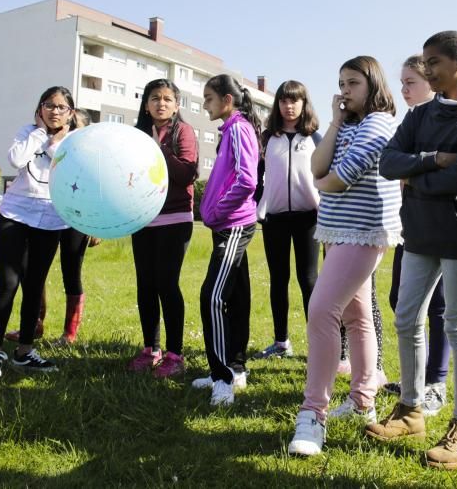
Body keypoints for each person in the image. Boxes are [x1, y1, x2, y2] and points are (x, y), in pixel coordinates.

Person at [369, 32, 457, 471]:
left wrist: (420, 176)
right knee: (406, 318)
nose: (426, 72)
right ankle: (410, 410)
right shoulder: (421, 114)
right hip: (418, 234)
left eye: (433, 63)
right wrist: (430, 159)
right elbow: (389, 163)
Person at [288, 55, 402, 457]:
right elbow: (316, 166)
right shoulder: (349, 125)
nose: (344, 90)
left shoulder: (380, 124)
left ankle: (312, 413)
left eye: (353, 83)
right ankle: (362, 400)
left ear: (373, 84)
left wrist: (323, 179)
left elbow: (336, 180)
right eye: (340, 82)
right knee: (356, 316)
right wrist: (334, 124)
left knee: (321, 310)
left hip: (363, 232)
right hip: (338, 231)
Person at [0, 86, 78, 381]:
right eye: (49, 105)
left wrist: (56, 140)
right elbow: (16, 160)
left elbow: (68, 165)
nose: (55, 111)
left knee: (35, 284)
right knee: (8, 282)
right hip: (15, 215)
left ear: (70, 113)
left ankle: (25, 351)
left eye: (61, 107)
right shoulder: (27, 132)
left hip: (50, 218)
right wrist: (40, 133)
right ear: (39, 110)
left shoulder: (74, 141)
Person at [383, 54, 453, 415]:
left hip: (442, 228)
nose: (404, 89)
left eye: (410, 82)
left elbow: (448, 173)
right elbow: (392, 165)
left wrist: (415, 168)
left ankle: (436, 383)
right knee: (401, 301)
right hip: (410, 226)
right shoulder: (410, 122)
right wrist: (424, 164)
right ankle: (418, 377)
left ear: (431, 81)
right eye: (402, 83)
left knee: (440, 307)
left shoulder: (446, 120)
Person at [193, 74, 261, 406]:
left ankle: (222, 379)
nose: (205, 104)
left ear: (227, 100)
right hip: (227, 224)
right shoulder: (230, 129)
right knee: (235, 297)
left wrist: (217, 211)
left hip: (233, 224)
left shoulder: (238, 128)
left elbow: (247, 180)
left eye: (208, 98)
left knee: (212, 297)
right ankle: (233, 368)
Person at [4, 108, 97, 345]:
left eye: (77, 127)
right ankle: (35, 324)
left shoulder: (90, 152)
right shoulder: (50, 142)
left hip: (76, 218)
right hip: (46, 213)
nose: (71, 131)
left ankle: (69, 334)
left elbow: (96, 187)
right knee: (33, 272)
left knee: (71, 272)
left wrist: (94, 224)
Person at [128, 79, 199, 378]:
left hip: (175, 218)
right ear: (146, 104)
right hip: (141, 218)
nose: (161, 103)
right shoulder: (135, 134)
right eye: (155, 98)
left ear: (177, 104)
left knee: (167, 284)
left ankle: (175, 354)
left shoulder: (183, 131)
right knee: (146, 284)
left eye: (167, 99)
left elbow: (186, 172)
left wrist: (158, 150)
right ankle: (150, 349)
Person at [253, 80, 321, 360]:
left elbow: (325, 175)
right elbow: (256, 176)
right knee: (278, 280)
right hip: (275, 219)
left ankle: (318, 345)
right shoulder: (268, 137)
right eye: (283, 100)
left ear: (304, 104)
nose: (289, 106)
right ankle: (281, 342)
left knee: (309, 280)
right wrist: (260, 206)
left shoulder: (316, 138)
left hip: (309, 219)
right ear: (277, 104)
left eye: (294, 101)